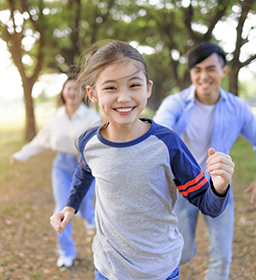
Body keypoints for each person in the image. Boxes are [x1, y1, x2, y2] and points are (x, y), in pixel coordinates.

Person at [49, 40, 235, 280]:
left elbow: (207, 203)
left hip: (160, 270)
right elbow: (83, 173)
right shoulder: (89, 142)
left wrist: (219, 187)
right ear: (93, 93)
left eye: (133, 85)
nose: (124, 97)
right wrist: (70, 207)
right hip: (108, 269)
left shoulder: (168, 144)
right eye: (111, 88)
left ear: (147, 88)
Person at [153, 42, 256, 280]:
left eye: (210, 68)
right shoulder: (176, 103)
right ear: (191, 74)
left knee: (221, 257)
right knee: (182, 253)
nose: (203, 76)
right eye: (197, 70)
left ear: (224, 71)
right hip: (183, 188)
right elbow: (159, 131)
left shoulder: (237, 107)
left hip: (218, 189)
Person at [10, 76, 101, 267]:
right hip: (61, 166)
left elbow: (100, 143)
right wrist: (20, 155)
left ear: (82, 93)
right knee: (61, 207)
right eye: (68, 88)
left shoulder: (92, 118)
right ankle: (67, 251)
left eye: (75, 89)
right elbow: (40, 141)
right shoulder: (55, 118)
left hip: (84, 166)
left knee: (84, 206)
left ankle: (89, 217)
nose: (71, 92)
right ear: (63, 92)